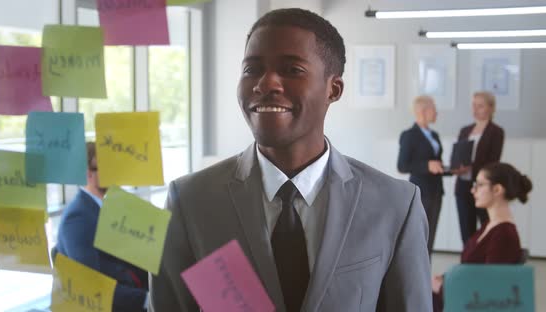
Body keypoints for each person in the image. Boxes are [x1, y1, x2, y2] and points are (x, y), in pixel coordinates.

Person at [150, 8, 431, 311]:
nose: (265, 83)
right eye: (251, 70)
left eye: (292, 69)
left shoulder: (395, 205)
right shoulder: (191, 202)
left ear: (333, 89)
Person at [56, 142, 148, 312]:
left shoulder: (110, 208)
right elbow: (90, 284)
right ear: (87, 174)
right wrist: (146, 300)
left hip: (132, 291)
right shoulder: (77, 218)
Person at [432, 162, 531, 311]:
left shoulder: (504, 235)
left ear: (497, 189)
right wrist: (445, 280)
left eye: (479, 185)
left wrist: (443, 288)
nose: (473, 190)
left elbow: (488, 291)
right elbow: (474, 272)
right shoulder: (490, 226)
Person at [453, 91, 505, 244]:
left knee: (485, 227)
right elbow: (457, 155)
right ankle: (468, 263)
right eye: (474, 105)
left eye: (480, 106)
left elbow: (493, 162)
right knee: (466, 230)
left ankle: (484, 264)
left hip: (484, 188)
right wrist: (456, 168)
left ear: (490, 108)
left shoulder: (496, 132)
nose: (475, 109)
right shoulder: (465, 130)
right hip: (463, 186)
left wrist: (470, 168)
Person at [397, 95, 445, 257]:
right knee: (420, 236)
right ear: (423, 111)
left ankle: (426, 273)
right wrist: (426, 166)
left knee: (431, 237)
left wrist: (451, 169)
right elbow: (402, 166)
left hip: (437, 191)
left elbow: (437, 163)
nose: (437, 112)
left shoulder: (435, 135)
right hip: (421, 192)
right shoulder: (409, 135)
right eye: (434, 108)